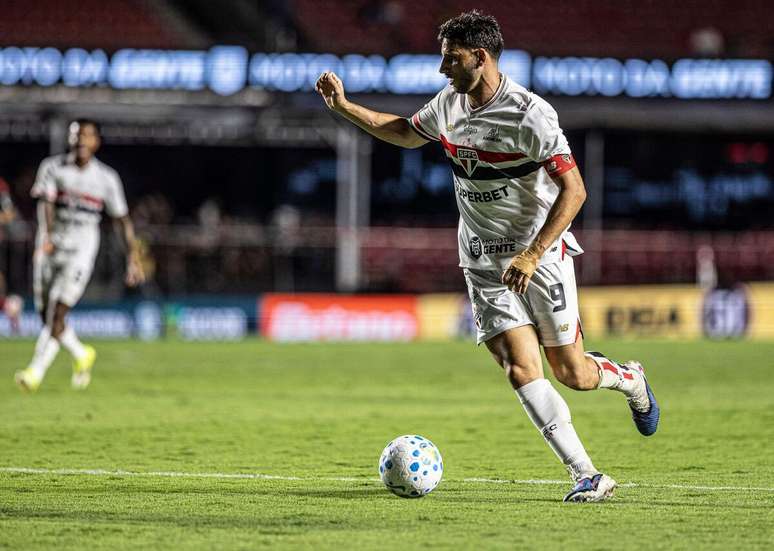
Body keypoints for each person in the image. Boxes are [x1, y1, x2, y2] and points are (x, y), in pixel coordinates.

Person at [315, 10, 659, 502]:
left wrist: (533, 252)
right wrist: (345, 107)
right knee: (520, 369)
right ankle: (587, 474)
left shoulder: (530, 115)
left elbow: (575, 191)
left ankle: (630, 378)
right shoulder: (449, 104)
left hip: (540, 259)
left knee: (573, 373)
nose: (442, 71)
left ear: (481, 57)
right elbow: (407, 132)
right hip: (483, 261)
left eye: (450, 60)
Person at [15, 119, 145, 392]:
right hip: (49, 248)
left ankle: (35, 372)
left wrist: (132, 257)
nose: (80, 141)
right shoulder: (52, 167)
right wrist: (48, 237)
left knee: (56, 312)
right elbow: (46, 204)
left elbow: (122, 219)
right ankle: (81, 353)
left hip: (81, 250)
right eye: (76, 135)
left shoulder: (106, 178)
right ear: (69, 140)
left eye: (86, 136)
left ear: (96, 142)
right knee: (47, 317)